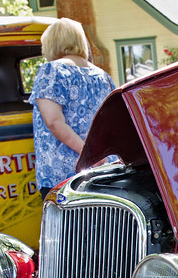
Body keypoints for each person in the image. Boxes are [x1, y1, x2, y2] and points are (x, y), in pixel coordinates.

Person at [31, 18, 115, 196]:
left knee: (67, 224)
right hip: (103, 170)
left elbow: (54, 122)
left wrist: (88, 155)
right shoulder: (103, 76)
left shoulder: (52, 71)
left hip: (64, 175)